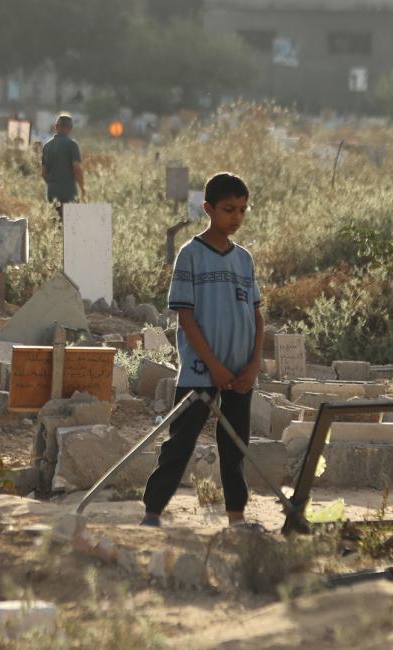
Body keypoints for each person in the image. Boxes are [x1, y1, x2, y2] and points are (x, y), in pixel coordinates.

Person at [141, 173, 264, 528]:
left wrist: (253, 364)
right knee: (180, 443)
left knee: (236, 446)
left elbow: (257, 315)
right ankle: (152, 512)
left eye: (242, 210)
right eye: (229, 210)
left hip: (240, 372)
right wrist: (213, 366)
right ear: (209, 209)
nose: (236, 217)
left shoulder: (244, 259)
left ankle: (236, 517)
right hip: (200, 369)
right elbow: (186, 318)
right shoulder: (191, 255)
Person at [41, 113, 84, 218]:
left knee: (55, 225)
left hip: (52, 193)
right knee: (70, 227)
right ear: (70, 128)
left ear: (56, 127)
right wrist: (82, 188)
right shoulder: (72, 145)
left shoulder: (47, 146)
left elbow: (43, 173)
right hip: (69, 193)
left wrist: (52, 183)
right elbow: (77, 168)